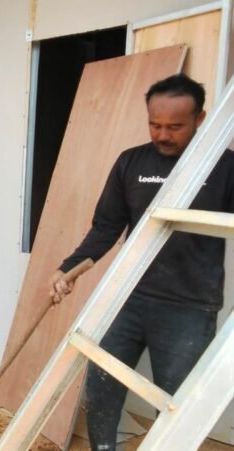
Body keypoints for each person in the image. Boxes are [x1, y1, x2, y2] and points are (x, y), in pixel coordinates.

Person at [49, 74, 234, 450]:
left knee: (175, 404)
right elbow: (106, 227)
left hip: (190, 306)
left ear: (200, 119)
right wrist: (67, 268)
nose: (163, 135)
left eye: (175, 126)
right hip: (126, 298)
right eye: (155, 124)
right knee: (102, 389)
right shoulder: (131, 162)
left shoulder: (225, 168)